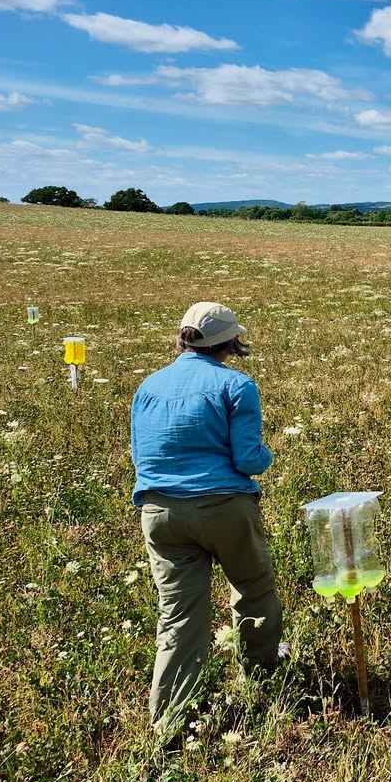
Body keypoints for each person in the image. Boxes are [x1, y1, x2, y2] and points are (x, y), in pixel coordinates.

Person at [131, 301, 283, 730]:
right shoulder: (236, 385)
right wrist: (268, 455)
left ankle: (168, 721)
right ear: (231, 341)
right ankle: (262, 675)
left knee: (178, 613)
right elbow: (249, 459)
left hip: (159, 511)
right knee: (253, 587)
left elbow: (142, 455)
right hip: (223, 506)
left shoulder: (149, 385)